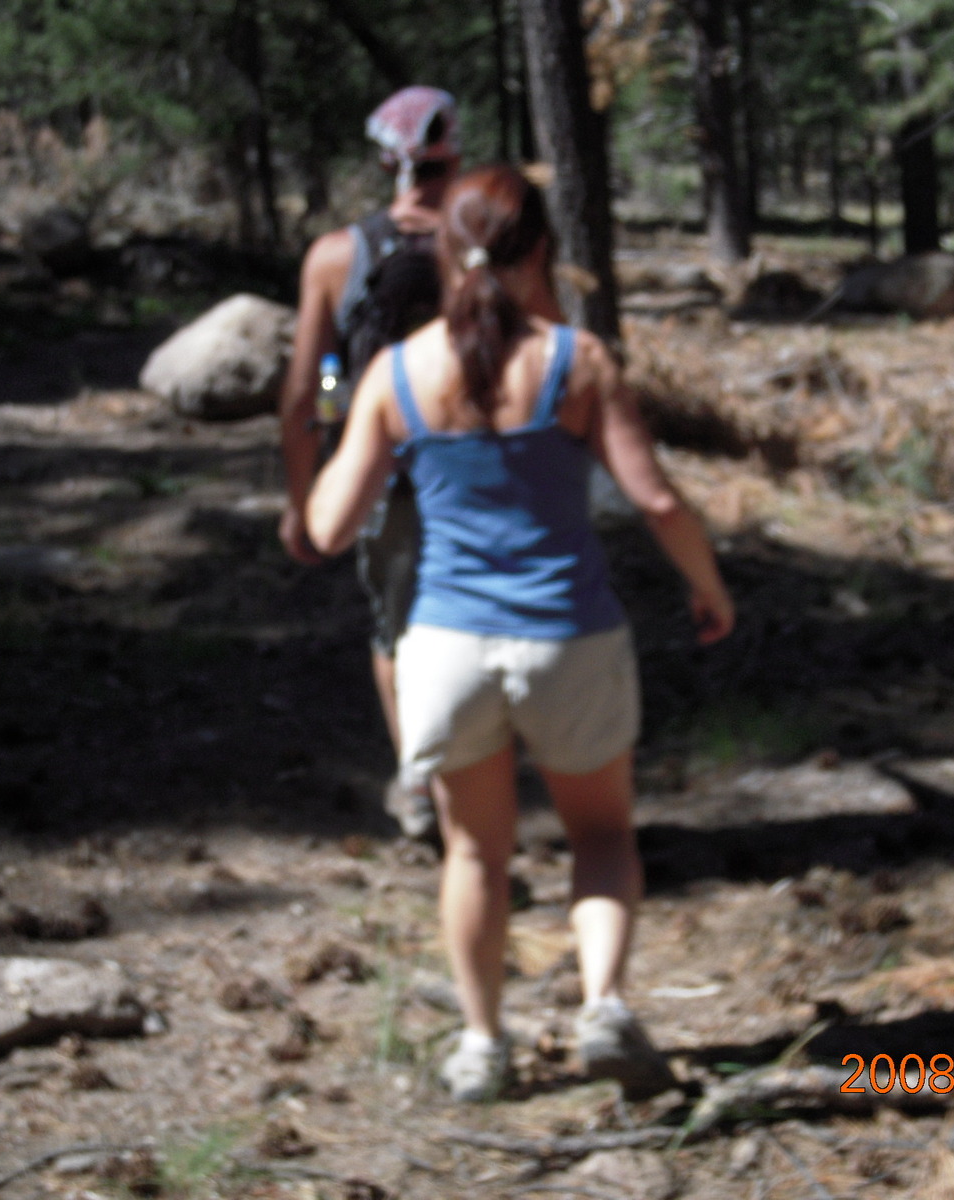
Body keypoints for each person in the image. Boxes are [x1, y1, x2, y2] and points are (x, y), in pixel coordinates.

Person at [307, 165, 736, 1102]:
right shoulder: (577, 361)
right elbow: (658, 500)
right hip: (568, 638)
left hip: (445, 648)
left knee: (474, 854)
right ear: (541, 250)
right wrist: (709, 588)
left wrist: (337, 429)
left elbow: (330, 527)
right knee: (603, 836)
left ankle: (481, 1045)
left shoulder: (397, 371)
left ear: (443, 254)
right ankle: (605, 1007)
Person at [278, 86, 472, 841]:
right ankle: (477, 774)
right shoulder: (486, 245)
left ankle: (419, 778)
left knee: (398, 627)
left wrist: (317, 467)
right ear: (454, 156)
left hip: (385, 472)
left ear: (387, 162)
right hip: (481, 466)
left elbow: (314, 381)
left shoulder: (339, 255)